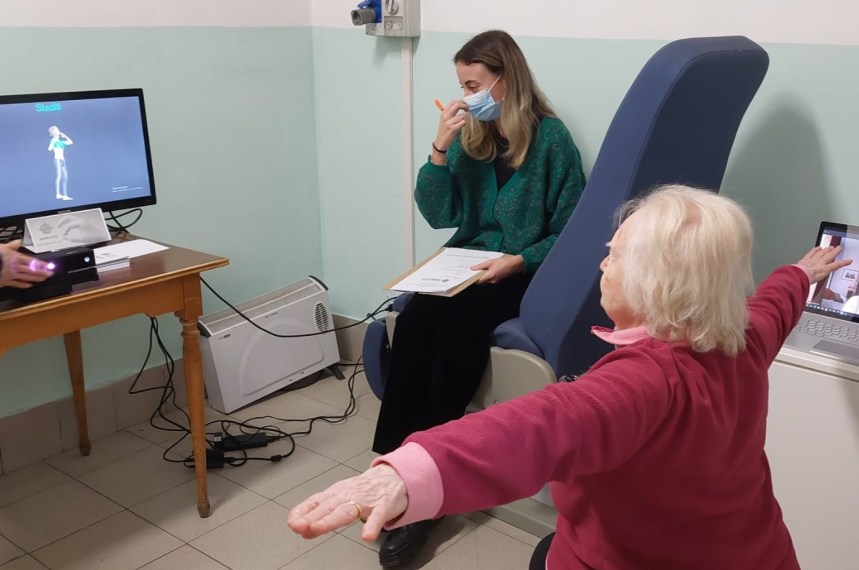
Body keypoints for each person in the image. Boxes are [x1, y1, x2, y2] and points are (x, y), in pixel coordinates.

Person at [289, 186, 841, 570]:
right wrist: (801, 273)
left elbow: (538, 426)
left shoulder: (646, 381)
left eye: (614, 256)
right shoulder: (740, 337)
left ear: (655, 282)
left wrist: (408, 474)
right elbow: (774, 303)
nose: (602, 263)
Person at [370, 29, 586, 567]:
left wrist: (520, 259)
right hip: (466, 262)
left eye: (473, 84)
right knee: (414, 321)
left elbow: (572, 231)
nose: (464, 95)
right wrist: (440, 148)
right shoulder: (472, 137)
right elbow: (440, 215)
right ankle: (396, 463)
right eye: (461, 85)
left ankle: (432, 484)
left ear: (505, 80)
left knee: (458, 334)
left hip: (523, 269)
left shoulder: (552, 141)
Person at [48, 125, 73, 201]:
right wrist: (53, 141)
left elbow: (71, 142)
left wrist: (65, 136)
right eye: (57, 130)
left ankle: (65, 195)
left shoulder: (61, 142)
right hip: (57, 160)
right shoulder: (53, 140)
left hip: (63, 160)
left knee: (65, 178)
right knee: (59, 176)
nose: (58, 130)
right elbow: (49, 149)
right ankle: (58, 194)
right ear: (53, 132)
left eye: (58, 129)